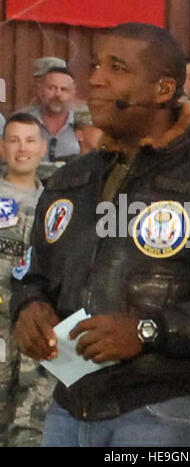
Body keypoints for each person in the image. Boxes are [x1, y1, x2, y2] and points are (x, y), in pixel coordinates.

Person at [10, 22, 190, 448]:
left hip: (169, 414)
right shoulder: (71, 180)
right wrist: (28, 305)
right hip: (69, 409)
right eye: (96, 64)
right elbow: (32, 272)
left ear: (163, 89)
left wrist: (148, 331)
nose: (96, 78)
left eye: (117, 67)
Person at [0, 113, 55, 446]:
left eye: (30, 140)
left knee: (32, 431)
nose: (22, 149)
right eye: (14, 140)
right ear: (3, 146)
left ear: (43, 148)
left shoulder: (58, 204)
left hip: (37, 335)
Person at [24, 67, 80, 161]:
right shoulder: (24, 122)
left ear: (73, 94)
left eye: (64, 89)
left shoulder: (82, 125)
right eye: (52, 88)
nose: (57, 94)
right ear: (40, 91)